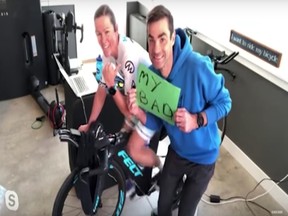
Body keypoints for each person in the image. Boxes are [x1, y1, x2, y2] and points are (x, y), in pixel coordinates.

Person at [126, 5, 232, 216]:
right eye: (151, 39)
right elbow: (155, 121)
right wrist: (137, 110)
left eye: (162, 38)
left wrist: (197, 119)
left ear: (173, 38)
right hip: (177, 152)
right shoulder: (151, 76)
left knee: (185, 212)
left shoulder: (198, 67)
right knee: (163, 205)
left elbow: (225, 102)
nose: (155, 49)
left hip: (204, 158)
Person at [78, 4, 151, 134]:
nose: (103, 40)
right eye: (98, 34)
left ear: (116, 29)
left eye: (107, 32)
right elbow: (101, 90)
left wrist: (112, 86)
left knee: (128, 146)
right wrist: (90, 124)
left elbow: (130, 112)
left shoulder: (128, 56)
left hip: (154, 106)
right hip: (140, 98)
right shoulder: (108, 51)